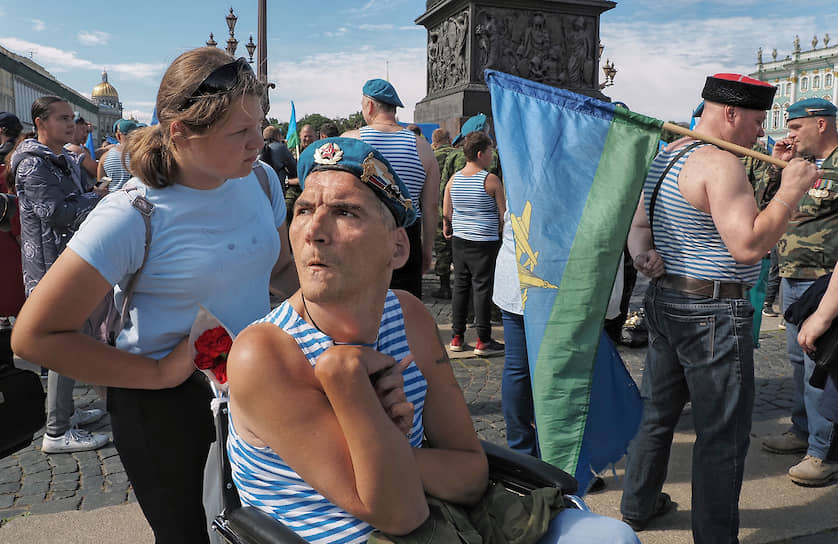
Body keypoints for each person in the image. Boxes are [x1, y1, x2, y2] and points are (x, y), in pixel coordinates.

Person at [225, 136, 639, 544]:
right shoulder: (265, 354)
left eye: (346, 212)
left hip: (443, 522)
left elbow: (471, 472)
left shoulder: (407, 316)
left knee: (613, 537)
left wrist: (380, 450)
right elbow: (399, 513)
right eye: (303, 209)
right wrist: (344, 373)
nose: (314, 230)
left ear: (397, 247)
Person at [11, 47, 298, 543]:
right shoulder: (131, 213)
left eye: (260, 124)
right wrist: (159, 373)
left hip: (256, 393)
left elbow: (278, 270)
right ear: (181, 131)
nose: (260, 143)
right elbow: (34, 336)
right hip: (167, 410)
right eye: (240, 132)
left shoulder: (261, 179)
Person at [620, 73, 819, 543]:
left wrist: (643, 252)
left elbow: (642, 223)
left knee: (657, 414)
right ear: (729, 113)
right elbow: (749, 244)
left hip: (667, 299)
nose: (761, 131)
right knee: (721, 435)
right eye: (755, 120)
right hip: (711, 313)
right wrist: (792, 189)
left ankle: (639, 503)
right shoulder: (721, 163)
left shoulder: (669, 156)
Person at [9, 97, 110, 454]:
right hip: (50, 267)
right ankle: (56, 430)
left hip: (67, 260)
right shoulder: (34, 166)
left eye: (72, 118)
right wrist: (99, 198)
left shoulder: (59, 159)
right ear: (40, 122)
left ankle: (64, 413)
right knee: (62, 343)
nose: (71, 124)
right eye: (62, 118)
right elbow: (56, 213)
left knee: (74, 338)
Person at [760, 98, 838, 486]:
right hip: (792, 278)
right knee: (796, 360)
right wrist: (779, 166)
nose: (788, 135)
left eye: (795, 128)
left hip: (826, 283)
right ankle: (802, 430)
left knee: (822, 366)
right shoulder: (799, 167)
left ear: (821, 124)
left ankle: (824, 452)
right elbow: (769, 205)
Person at [343, 79, 440, 298]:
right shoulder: (422, 146)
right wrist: (426, 250)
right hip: (406, 236)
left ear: (369, 106)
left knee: (361, 305)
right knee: (405, 308)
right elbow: (431, 206)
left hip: (362, 235)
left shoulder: (351, 141)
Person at [443, 131, 505, 356]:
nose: (492, 155)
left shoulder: (454, 179)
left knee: (460, 285)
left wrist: (447, 227)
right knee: (482, 288)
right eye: (490, 151)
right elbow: (503, 214)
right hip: (485, 241)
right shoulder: (490, 180)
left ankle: (457, 337)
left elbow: (447, 210)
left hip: (460, 240)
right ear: (480, 154)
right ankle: (483, 340)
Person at [493, 208, 537, 457]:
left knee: (518, 370)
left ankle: (525, 453)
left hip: (519, 275)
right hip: (532, 277)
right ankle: (532, 452)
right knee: (527, 371)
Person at [431, 128, 455, 299]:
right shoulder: (458, 155)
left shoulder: (431, 156)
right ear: (449, 139)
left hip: (437, 208)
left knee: (441, 249)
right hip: (459, 207)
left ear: (434, 141)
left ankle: (444, 286)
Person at [283, 123, 316, 226]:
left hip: (312, 188)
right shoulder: (292, 152)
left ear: (315, 136)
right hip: (294, 190)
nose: (307, 139)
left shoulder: (319, 153)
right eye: (305, 136)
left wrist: (289, 181)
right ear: (300, 137)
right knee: (286, 209)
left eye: (310, 136)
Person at [97, 119, 139, 192]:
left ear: (118, 136)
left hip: (114, 201)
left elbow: (100, 187)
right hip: (139, 200)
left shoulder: (105, 157)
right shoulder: (144, 155)